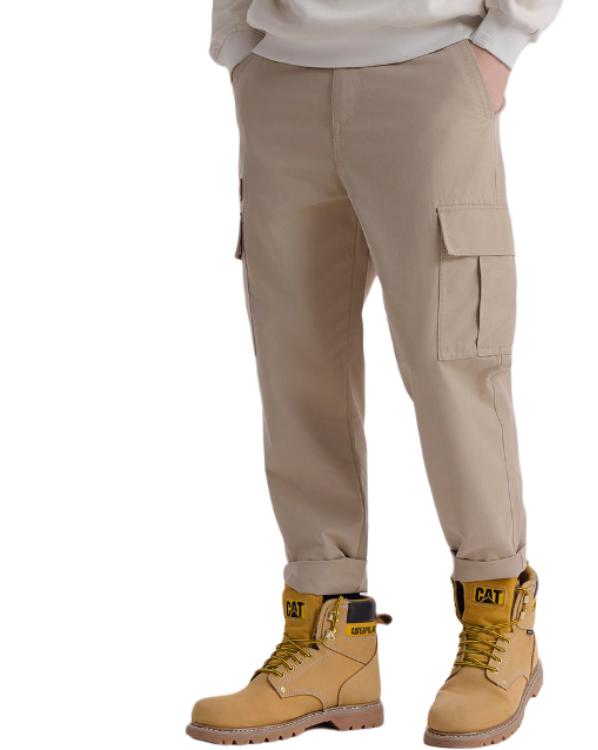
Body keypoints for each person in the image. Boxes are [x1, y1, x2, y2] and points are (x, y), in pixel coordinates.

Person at [187, 1, 561, 746]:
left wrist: (504, 39)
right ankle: (331, 641)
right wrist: (236, 40)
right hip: (281, 77)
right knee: (296, 369)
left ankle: (499, 622)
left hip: (432, 69)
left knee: (452, 360)